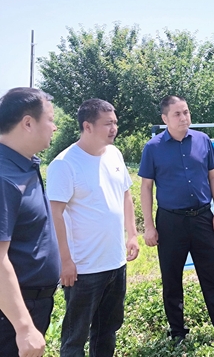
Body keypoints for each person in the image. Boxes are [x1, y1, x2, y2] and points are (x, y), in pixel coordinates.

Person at [138, 95, 214, 344]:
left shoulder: (202, 140)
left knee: (212, 277)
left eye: (186, 112)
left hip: (202, 218)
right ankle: (177, 332)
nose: (184, 118)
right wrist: (149, 226)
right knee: (171, 279)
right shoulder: (153, 147)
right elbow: (146, 187)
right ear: (165, 118)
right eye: (177, 114)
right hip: (170, 222)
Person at [46, 99, 139, 356]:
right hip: (83, 269)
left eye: (115, 123)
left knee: (107, 330)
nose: (114, 128)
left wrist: (132, 234)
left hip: (115, 262)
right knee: (75, 337)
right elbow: (55, 214)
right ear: (87, 126)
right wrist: (65, 261)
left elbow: (126, 195)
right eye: (107, 124)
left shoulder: (114, 154)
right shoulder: (64, 164)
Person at [0, 87, 60, 357]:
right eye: (50, 119)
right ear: (27, 123)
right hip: (12, 313)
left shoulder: (25, 165)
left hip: (32, 303)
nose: (54, 126)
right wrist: (23, 327)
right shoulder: (5, 177)